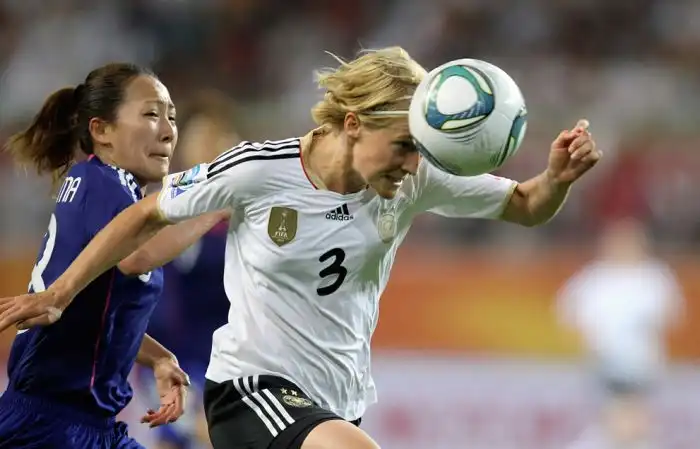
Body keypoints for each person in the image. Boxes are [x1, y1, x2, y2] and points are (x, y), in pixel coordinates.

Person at [0, 47, 601, 449]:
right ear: (353, 123)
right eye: (402, 145)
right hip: (251, 391)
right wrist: (60, 293)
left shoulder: (414, 179)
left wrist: (556, 180)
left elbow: (526, 205)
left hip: (337, 400)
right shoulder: (259, 169)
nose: (412, 163)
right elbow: (144, 219)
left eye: (421, 149)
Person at [0, 63, 226, 449]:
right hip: (49, 425)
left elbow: (96, 313)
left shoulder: (103, 187)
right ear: (101, 130)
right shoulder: (105, 182)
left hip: (88, 424)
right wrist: (220, 201)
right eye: (151, 114)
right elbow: (138, 257)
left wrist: (158, 357)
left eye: (171, 117)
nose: (168, 131)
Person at [139, 90, 240, 449]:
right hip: (177, 353)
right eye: (203, 137)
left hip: (233, 357)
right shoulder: (170, 201)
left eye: (219, 136)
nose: (212, 146)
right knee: (197, 436)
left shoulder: (248, 206)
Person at [557, 218, 684, 449]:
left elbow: (671, 315)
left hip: (642, 362)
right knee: (613, 411)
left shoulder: (655, 278)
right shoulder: (593, 278)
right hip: (603, 360)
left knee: (635, 412)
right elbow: (568, 314)